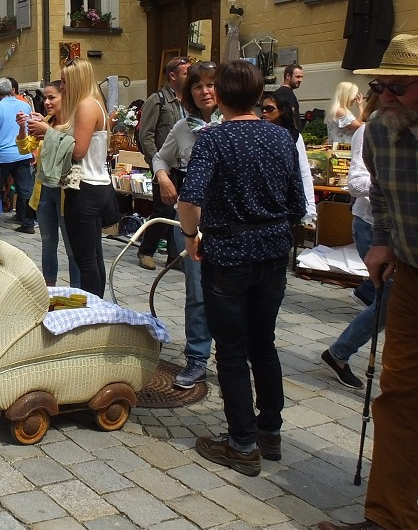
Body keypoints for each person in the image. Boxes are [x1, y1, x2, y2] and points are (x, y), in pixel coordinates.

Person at [316, 34, 418, 530]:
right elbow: (384, 197)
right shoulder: (382, 133)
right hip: (413, 278)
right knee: (399, 399)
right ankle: (392, 526)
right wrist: (384, 241)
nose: (385, 96)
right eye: (379, 85)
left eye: (399, 87)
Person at [179, 60, 306, 477]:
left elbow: (190, 199)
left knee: (233, 350)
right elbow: (298, 205)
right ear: (257, 95)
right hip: (270, 251)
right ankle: (269, 430)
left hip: (230, 251)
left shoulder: (213, 139)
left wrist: (191, 236)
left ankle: (243, 442)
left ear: (222, 95)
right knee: (263, 344)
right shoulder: (282, 138)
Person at [151, 61, 220, 390]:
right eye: (198, 86)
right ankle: (197, 358)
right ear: (189, 92)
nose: (205, 91)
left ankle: (233, 353)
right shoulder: (182, 128)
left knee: (230, 291)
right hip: (193, 218)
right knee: (197, 292)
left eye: (211, 84)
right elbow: (160, 157)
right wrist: (163, 177)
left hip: (230, 221)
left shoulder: (234, 123)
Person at [320, 91, 386, 389]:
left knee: (393, 304)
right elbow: (356, 183)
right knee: (392, 302)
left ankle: (340, 352)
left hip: (404, 234)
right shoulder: (369, 130)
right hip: (373, 227)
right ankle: (339, 352)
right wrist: (393, 183)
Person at [18, 80, 82, 287]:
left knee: (73, 248)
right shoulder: (46, 121)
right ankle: (49, 289)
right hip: (45, 191)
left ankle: (77, 292)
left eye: (51, 97)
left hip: (66, 192)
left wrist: (48, 131)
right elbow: (26, 148)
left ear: (65, 97)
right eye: (45, 98)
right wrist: (22, 128)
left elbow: (75, 150)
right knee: (48, 243)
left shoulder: (73, 125)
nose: (46, 102)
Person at [58, 58, 112, 297]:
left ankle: (94, 311)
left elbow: (78, 151)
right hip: (96, 186)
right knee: (94, 256)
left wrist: (48, 133)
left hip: (85, 188)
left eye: (64, 81)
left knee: (86, 260)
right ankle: (97, 307)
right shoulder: (95, 104)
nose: (61, 87)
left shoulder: (86, 106)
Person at [137, 56, 190, 270]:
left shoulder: (189, 100)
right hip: (165, 165)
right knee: (163, 210)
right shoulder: (157, 99)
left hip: (186, 165)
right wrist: (155, 161)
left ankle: (173, 256)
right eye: (186, 72)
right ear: (173, 75)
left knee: (181, 211)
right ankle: (146, 251)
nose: (190, 76)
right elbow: (146, 134)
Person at [0, 77, 36, 234]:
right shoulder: (25, 105)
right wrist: (32, 150)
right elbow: (31, 129)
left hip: (3, 154)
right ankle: (27, 223)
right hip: (22, 153)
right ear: (12, 89)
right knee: (25, 190)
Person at [260, 91, 317, 224]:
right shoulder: (259, 135)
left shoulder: (294, 136)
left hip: (286, 200)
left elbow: (304, 172)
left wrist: (310, 208)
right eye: (262, 108)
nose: (264, 112)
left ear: (282, 111)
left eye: (270, 108)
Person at [326, 81, 364, 146]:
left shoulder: (338, 110)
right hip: (343, 150)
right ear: (348, 95)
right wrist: (360, 107)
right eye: (354, 94)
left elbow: (354, 124)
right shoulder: (340, 111)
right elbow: (359, 127)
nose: (355, 98)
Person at [272, 63, 303, 133]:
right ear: (288, 76)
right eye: (298, 77)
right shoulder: (286, 93)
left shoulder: (282, 92)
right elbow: (291, 117)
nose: (300, 80)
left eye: (301, 77)